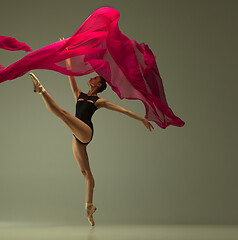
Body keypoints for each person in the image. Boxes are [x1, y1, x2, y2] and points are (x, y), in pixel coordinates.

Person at [28, 60, 153, 226]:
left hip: (86, 131)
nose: (91, 77)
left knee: (63, 114)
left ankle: (41, 90)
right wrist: (68, 58)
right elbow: (70, 76)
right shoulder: (79, 94)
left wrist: (141, 119)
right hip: (77, 138)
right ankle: (89, 207)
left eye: (94, 78)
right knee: (86, 174)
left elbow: (123, 110)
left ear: (99, 84)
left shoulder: (98, 101)